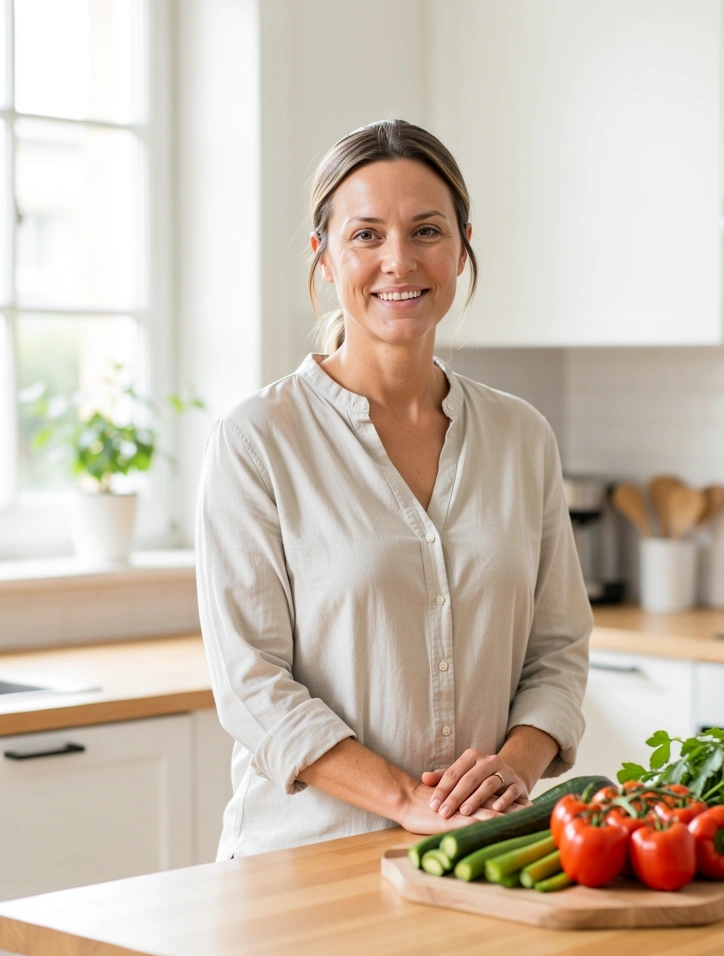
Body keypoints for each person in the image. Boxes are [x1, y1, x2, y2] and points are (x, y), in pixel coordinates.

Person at [195, 119, 592, 858]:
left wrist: (513, 769)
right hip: (300, 865)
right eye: (367, 234)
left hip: (472, 856)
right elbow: (253, 683)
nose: (399, 261)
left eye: (427, 230)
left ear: (463, 245)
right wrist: (407, 799)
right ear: (324, 255)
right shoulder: (258, 439)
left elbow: (558, 650)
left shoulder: (521, 436)